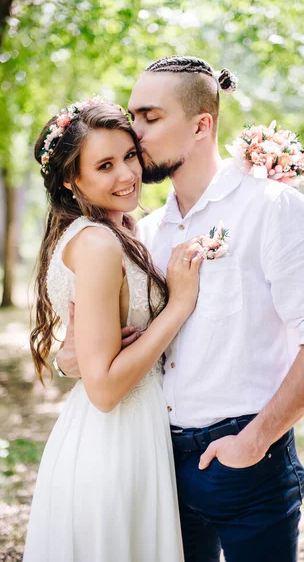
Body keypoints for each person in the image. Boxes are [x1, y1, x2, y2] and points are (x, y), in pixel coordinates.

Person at [58, 57, 304, 562]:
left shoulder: (272, 207)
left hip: (246, 460)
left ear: (202, 124)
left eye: (150, 118)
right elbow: (94, 353)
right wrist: (71, 357)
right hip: (155, 461)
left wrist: (255, 440)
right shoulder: (146, 234)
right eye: (133, 117)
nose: (135, 133)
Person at [24, 98, 204, 562]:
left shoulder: (114, 231)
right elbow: (105, 390)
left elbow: (88, 355)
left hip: (122, 433)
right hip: (114, 441)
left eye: (128, 156)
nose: (127, 175)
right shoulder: (98, 243)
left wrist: (74, 357)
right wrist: (179, 305)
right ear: (70, 180)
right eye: (104, 165)